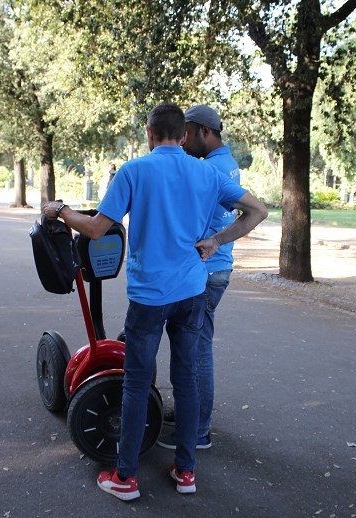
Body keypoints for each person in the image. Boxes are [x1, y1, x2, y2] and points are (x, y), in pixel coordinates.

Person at [42, 102, 267, 501]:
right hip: (192, 292)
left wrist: (60, 210)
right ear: (183, 136)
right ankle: (186, 473)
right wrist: (216, 241)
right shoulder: (207, 173)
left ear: (149, 133)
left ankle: (125, 478)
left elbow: (96, 229)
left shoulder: (134, 171)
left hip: (148, 297)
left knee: (136, 383)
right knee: (186, 380)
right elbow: (257, 211)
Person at [156, 105, 239, 451]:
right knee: (194, 346)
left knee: (198, 350)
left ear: (205, 131)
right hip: (214, 268)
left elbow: (253, 211)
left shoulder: (215, 169)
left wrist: (216, 241)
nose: (184, 140)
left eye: (188, 133)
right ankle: (191, 413)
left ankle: (199, 429)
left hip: (207, 271)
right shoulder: (225, 164)